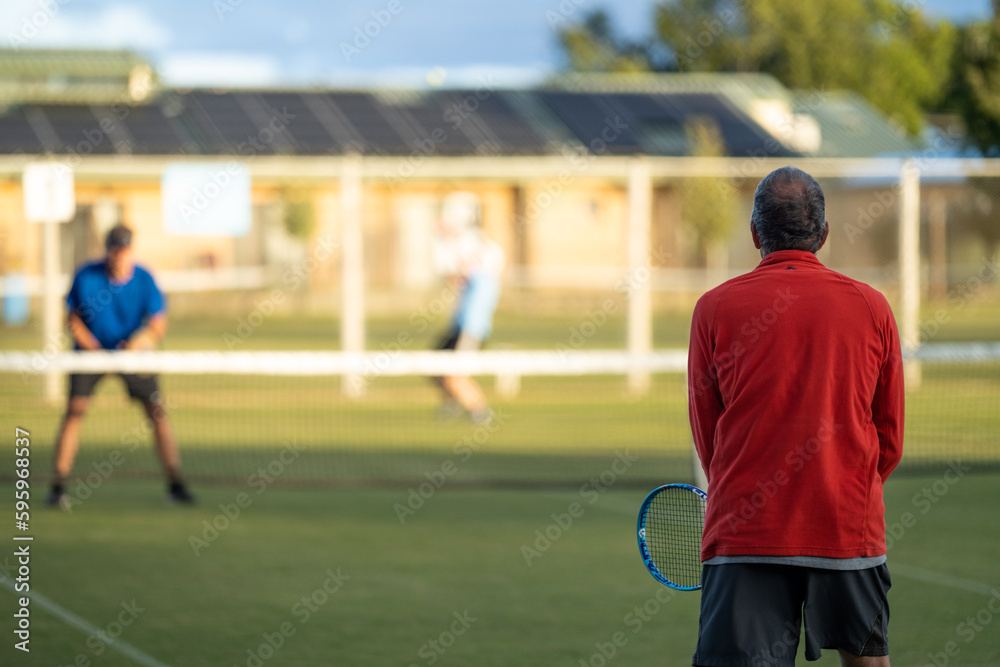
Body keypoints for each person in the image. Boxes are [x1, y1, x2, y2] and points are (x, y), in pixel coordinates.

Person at [687, 166, 904, 667]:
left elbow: (709, 435)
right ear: (824, 235)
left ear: (754, 234)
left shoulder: (713, 308)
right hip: (847, 527)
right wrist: (844, 486)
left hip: (744, 532)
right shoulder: (872, 307)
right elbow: (889, 436)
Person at [47, 224, 195, 508]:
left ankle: (176, 483)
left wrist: (138, 344)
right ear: (108, 251)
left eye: (125, 250)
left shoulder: (144, 278)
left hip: (131, 357)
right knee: (74, 412)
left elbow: (157, 323)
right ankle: (58, 485)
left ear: (131, 251)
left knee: (157, 412)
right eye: (115, 250)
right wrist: (95, 350)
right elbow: (73, 319)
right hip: (90, 356)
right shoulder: (87, 275)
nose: (120, 256)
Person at [430, 192, 504, 424]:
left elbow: (463, 265)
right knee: (434, 366)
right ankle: (453, 402)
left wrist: (450, 234)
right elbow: (456, 274)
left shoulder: (484, 267)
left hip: (472, 330)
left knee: (456, 376)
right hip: (459, 326)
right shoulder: (470, 266)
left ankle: (481, 413)